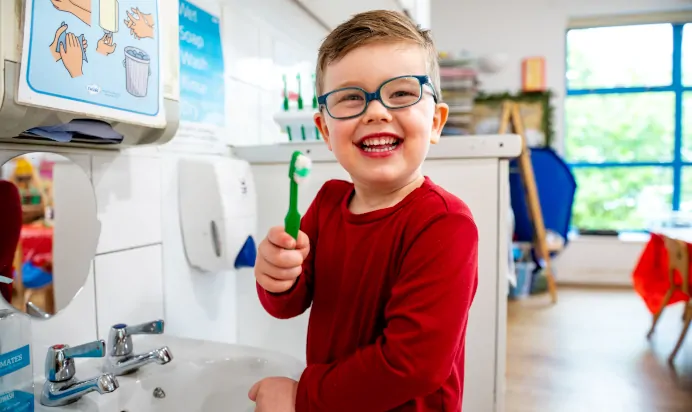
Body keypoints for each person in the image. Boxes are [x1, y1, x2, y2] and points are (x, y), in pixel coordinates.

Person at [249, 9, 479, 412]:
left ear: (437, 123)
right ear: (324, 131)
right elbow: (287, 304)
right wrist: (276, 276)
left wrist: (302, 396)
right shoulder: (327, 203)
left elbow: (413, 366)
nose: (375, 111)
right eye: (351, 97)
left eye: (402, 93)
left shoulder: (445, 224)